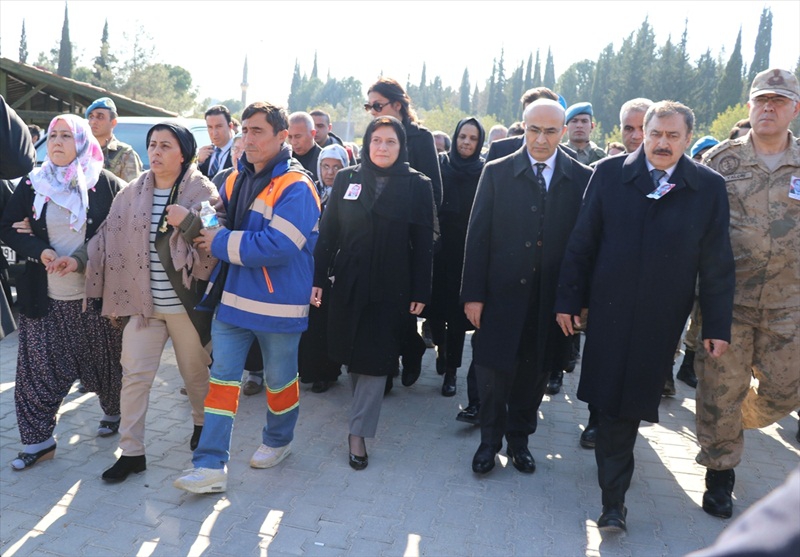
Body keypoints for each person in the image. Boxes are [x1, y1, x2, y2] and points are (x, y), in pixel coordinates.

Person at [555, 101, 735, 532]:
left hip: (661, 318)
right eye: (656, 134)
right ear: (643, 133)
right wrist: (568, 299)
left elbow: (717, 264)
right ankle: (613, 500)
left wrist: (716, 326)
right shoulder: (610, 173)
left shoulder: (707, 186)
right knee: (607, 401)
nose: (662, 143)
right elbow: (583, 241)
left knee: (631, 403)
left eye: (673, 136)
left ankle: (614, 494)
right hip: (608, 310)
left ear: (688, 139)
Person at [173, 101, 320, 494]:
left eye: (258, 131)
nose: (248, 139)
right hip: (232, 301)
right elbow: (218, 223)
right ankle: (209, 466)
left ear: (282, 137)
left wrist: (219, 239)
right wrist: (200, 221)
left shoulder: (298, 186)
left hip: (279, 305)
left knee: (280, 380)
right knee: (221, 382)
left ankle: (278, 440)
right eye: (246, 131)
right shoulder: (235, 178)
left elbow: (280, 245)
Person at [462, 99, 593, 476]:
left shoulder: (580, 177)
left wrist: (575, 301)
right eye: (534, 130)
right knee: (491, 374)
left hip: (548, 301)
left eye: (550, 131)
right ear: (523, 128)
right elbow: (478, 238)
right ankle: (489, 443)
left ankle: (520, 441)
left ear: (563, 132)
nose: (540, 139)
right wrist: (473, 295)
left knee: (533, 376)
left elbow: (583, 247)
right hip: (499, 297)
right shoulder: (497, 172)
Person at [84, 123, 220, 483]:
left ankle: (201, 423)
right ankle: (131, 452)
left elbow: (215, 238)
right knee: (135, 377)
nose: (156, 152)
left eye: (165, 145)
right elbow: (108, 237)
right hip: (143, 306)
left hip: (184, 306)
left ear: (183, 153)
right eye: (152, 145)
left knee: (194, 374)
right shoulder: (132, 191)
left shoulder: (200, 189)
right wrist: (79, 259)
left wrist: (188, 221)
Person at [695, 68, 800, 520]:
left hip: (788, 305)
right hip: (727, 304)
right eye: (761, 101)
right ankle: (720, 472)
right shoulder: (720, 162)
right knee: (720, 390)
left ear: (795, 109)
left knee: (785, 390)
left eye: (778, 101)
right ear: (750, 107)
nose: (768, 108)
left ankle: (734, 424)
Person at [0, 114, 125, 470]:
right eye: (52, 135)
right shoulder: (33, 183)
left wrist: (81, 261)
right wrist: (39, 249)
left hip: (93, 299)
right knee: (35, 372)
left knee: (106, 369)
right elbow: (8, 227)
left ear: (83, 142)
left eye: (66, 136)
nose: (56, 141)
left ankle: (114, 412)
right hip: (45, 298)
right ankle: (38, 442)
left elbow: (118, 234)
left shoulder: (106, 184)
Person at [311, 116, 435, 470]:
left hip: (391, 286)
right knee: (352, 351)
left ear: (401, 147)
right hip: (348, 281)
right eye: (376, 140)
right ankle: (359, 415)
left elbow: (424, 242)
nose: (382, 148)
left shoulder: (417, 185)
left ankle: (358, 433)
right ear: (367, 144)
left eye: (390, 142)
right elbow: (329, 231)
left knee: (376, 358)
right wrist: (317, 277)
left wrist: (421, 290)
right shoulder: (348, 177)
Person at [577, 96, 655, 450]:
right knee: (603, 360)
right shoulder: (607, 173)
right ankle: (597, 420)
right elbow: (586, 236)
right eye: (629, 128)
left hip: (653, 296)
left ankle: (625, 426)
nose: (636, 135)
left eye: (644, 128)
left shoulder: (680, 178)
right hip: (606, 290)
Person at [365, 77, 442, 390]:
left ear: (397, 105)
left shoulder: (420, 138)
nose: (372, 111)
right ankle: (382, 371)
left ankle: (411, 351)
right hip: (375, 237)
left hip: (409, 236)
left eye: (378, 105)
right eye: (368, 106)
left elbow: (434, 189)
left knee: (404, 312)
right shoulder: (374, 137)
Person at [428, 118, 485, 398]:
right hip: (439, 251)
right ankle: (441, 349)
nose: (466, 142)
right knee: (436, 312)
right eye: (462, 136)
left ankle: (451, 371)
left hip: (466, 254)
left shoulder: (484, 171)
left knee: (457, 317)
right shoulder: (441, 165)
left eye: (472, 138)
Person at [297, 144, 349, 393]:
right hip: (310, 265)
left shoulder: (351, 193)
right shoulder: (310, 191)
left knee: (329, 321)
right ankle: (310, 371)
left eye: (336, 167)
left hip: (336, 268)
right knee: (312, 322)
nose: (330, 172)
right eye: (325, 166)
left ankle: (328, 373)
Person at [85, 97, 143, 183]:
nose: (93, 121)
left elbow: (132, 192)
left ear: (113, 122)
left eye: (100, 117)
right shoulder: (82, 150)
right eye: (91, 116)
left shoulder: (126, 155)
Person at [197, 105, 234, 179]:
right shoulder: (204, 154)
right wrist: (198, 162)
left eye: (219, 126)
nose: (214, 133)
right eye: (210, 127)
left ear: (230, 126)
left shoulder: (239, 153)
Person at [287, 112, 322, 182]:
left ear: (313, 134)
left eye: (298, 136)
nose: (293, 142)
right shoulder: (284, 159)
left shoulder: (324, 161)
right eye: (290, 137)